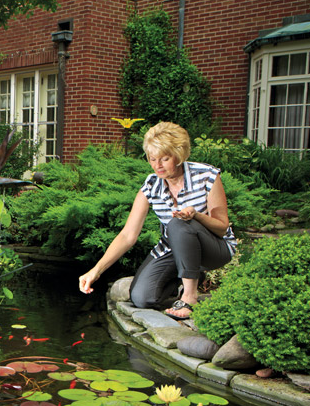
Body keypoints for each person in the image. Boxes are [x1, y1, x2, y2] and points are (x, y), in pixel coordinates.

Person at [78, 121, 236, 320]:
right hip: (173, 248)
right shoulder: (151, 185)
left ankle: (189, 297)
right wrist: (96, 271)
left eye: (165, 159)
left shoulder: (206, 175)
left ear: (179, 155)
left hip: (215, 248)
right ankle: (184, 280)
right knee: (141, 297)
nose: (157, 166)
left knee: (178, 223)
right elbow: (128, 235)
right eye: (152, 159)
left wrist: (196, 215)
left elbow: (222, 228)